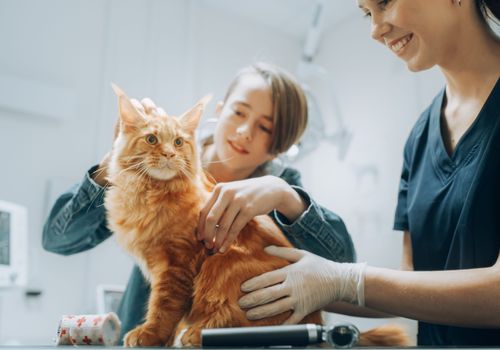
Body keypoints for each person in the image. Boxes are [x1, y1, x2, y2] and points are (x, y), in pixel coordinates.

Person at [237, 0, 500, 346]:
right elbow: (414, 282)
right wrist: (306, 281)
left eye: (385, 3)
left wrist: (345, 280)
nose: (375, 29)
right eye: (366, 13)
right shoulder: (420, 136)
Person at [42, 62, 356, 342]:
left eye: (265, 127)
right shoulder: (164, 155)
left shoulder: (283, 189)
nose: (245, 131)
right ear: (219, 110)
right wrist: (117, 161)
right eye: (239, 112)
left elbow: (344, 274)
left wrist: (285, 196)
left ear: (280, 145)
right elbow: (56, 240)